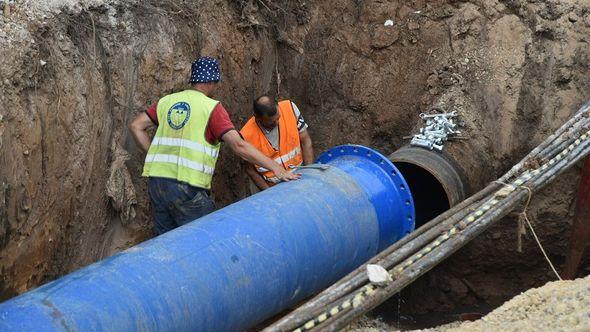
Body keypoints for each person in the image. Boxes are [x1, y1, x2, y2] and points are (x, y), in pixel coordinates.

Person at [129, 57, 299, 235]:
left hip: (157, 184)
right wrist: (277, 169)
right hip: (187, 186)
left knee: (165, 243)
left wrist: (155, 156)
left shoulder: (167, 101)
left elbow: (136, 126)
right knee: (205, 239)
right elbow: (239, 145)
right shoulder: (211, 108)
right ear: (211, 81)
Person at [240, 95, 314, 191]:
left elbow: (306, 142)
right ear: (258, 118)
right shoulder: (246, 136)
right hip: (275, 189)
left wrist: (309, 175)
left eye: (278, 118)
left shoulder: (290, 109)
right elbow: (251, 170)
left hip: (300, 177)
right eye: (271, 122)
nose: (277, 123)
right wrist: (269, 194)